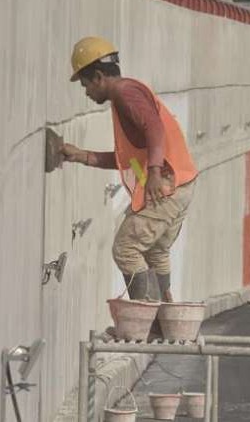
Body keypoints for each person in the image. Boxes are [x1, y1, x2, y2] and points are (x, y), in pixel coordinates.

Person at [61, 36, 198, 303]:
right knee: (156, 252)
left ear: (99, 77)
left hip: (167, 185)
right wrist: (82, 156)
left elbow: (154, 129)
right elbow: (129, 156)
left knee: (126, 248)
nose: (86, 92)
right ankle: (166, 320)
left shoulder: (125, 93)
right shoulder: (127, 95)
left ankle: (145, 321)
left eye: (85, 84)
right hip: (181, 183)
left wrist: (155, 174)